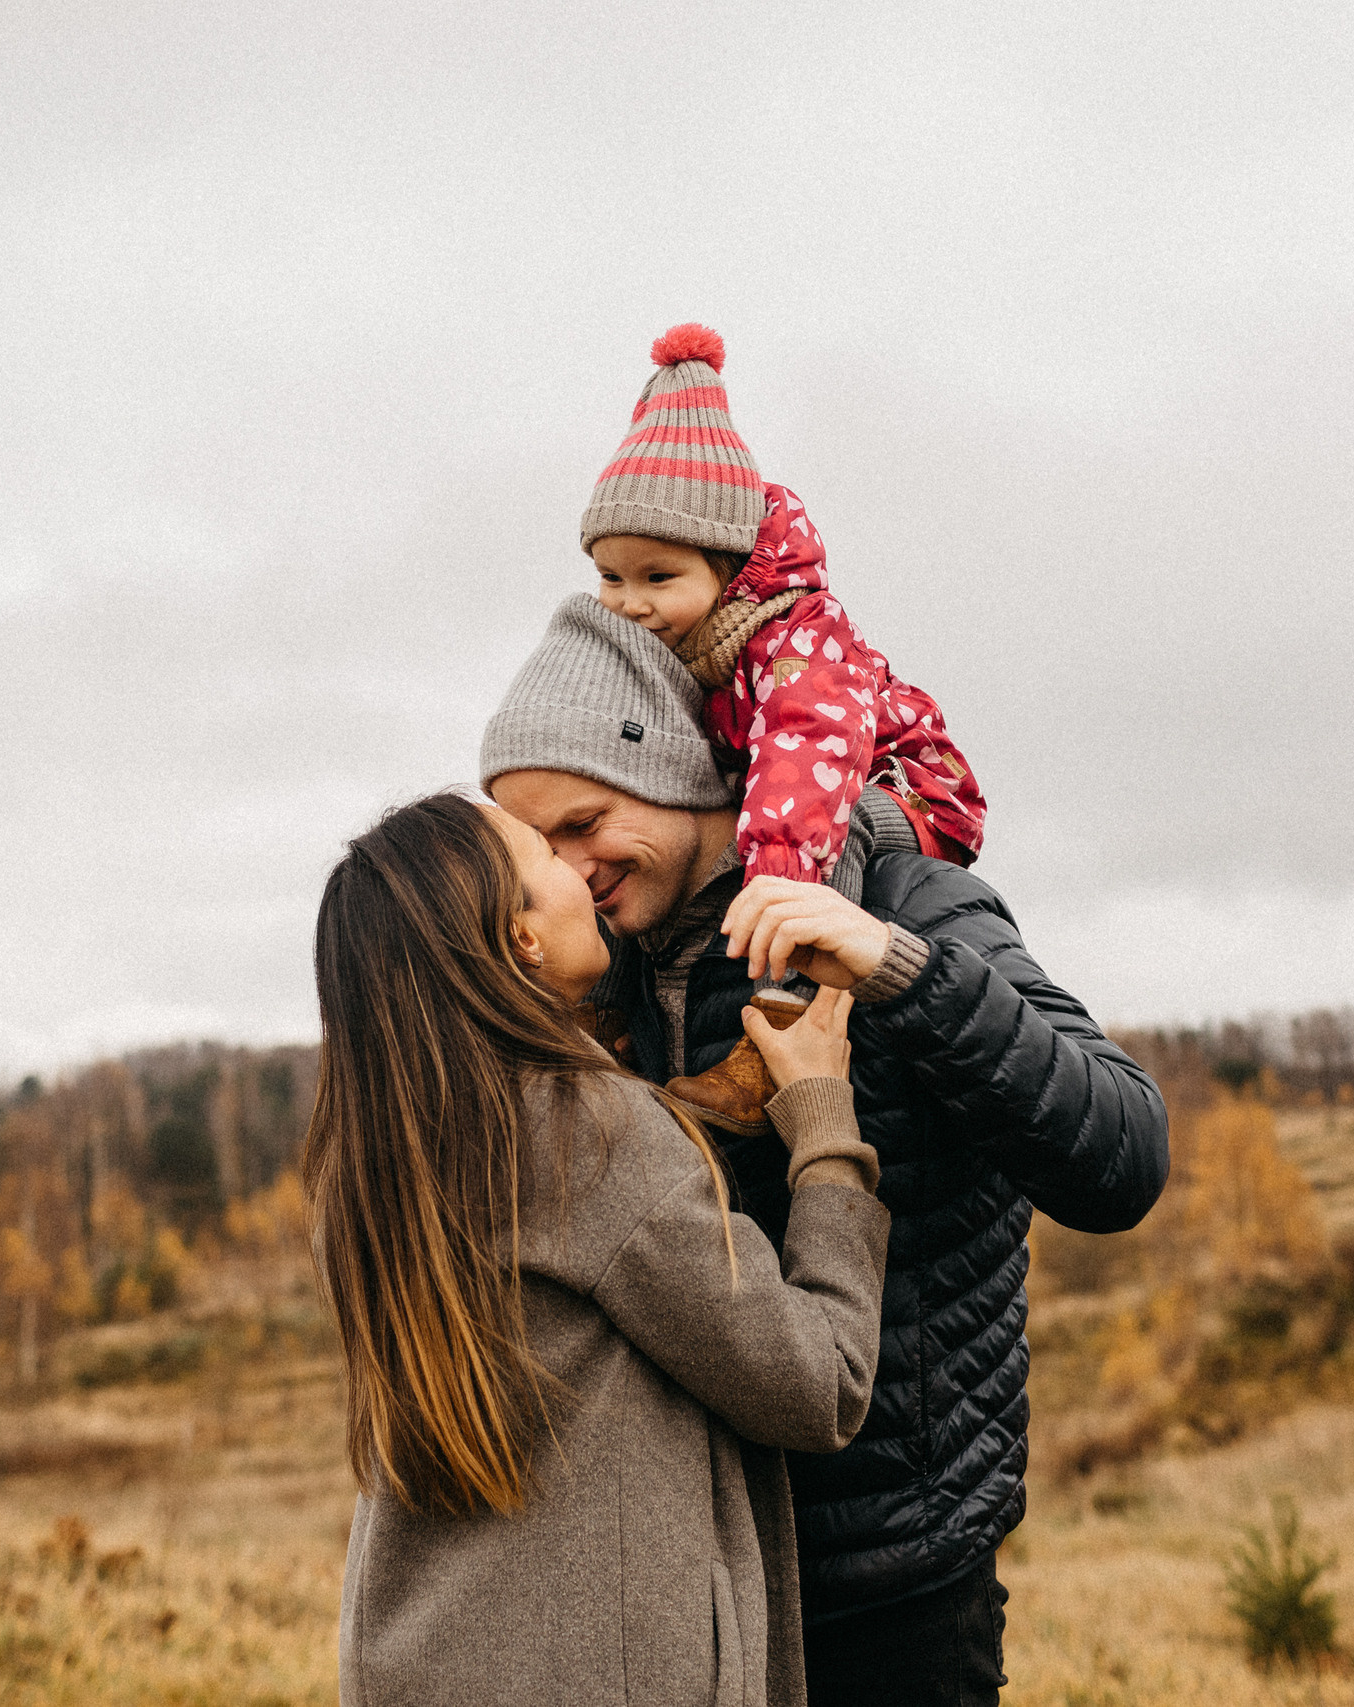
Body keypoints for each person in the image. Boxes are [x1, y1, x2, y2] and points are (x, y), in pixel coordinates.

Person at [482, 598, 1170, 1707]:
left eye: (585, 820)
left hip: (892, 1576)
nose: (572, 869)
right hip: (696, 1586)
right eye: (539, 847)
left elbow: (1121, 1160)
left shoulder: (908, 906)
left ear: (678, 768)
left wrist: (902, 972)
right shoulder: (602, 972)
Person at [310, 790, 891, 1707]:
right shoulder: (587, 1132)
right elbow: (819, 1383)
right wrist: (824, 1130)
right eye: (544, 854)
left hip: (413, 1665)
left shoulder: (380, 1161)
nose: (577, 869)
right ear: (522, 942)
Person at [580, 322, 988, 1127]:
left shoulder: (800, 632)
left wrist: (774, 872)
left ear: (727, 567)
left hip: (902, 787)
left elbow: (809, 752)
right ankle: (608, 1012)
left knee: (831, 837)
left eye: (659, 576)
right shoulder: (676, 647)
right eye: (610, 577)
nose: (630, 602)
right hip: (796, 789)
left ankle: (776, 1029)